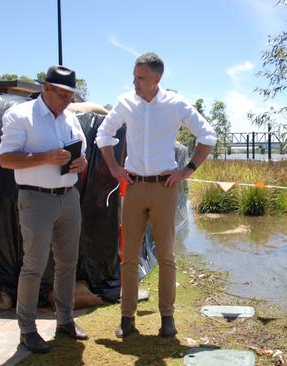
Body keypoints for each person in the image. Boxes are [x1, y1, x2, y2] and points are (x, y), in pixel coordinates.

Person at [96, 52, 216, 338]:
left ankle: (167, 318)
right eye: (134, 76)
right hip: (134, 187)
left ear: (156, 79)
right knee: (128, 257)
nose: (134, 82)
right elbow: (103, 134)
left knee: (166, 256)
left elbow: (207, 136)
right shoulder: (126, 102)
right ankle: (127, 319)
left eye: (140, 77)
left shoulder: (175, 104)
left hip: (165, 188)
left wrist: (187, 170)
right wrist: (114, 167)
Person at [0, 65, 89, 353]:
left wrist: (81, 163)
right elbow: (5, 159)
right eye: (62, 95)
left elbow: (82, 154)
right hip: (36, 199)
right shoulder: (20, 116)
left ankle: (65, 320)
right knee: (34, 265)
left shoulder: (71, 119)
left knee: (67, 263)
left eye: (70, 96)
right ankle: (27, 329)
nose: (66, 102)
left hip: (68, 197)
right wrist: (44, 157)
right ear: (46, 89)